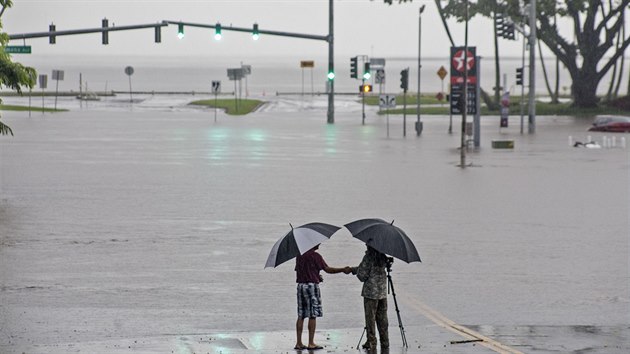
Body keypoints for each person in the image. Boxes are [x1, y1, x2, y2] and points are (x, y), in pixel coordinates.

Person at [294, 245, 351, 350]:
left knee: (301, 315)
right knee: (313, 314)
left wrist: (316, 275)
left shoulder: (299, 255)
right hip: (312, 287)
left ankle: (299, 343)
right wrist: (343, 269)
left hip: (300, 286)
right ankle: (311, 343)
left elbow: (299, 270)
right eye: (317, 242)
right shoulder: (315, 256)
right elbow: (328, 269)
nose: (319, 244)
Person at [352, 245, 389, 351]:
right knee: (383, 319)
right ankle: (385, 341)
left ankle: (371, 342)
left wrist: (354, 271)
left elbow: (362, 276)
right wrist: (355, 269)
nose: (365, 244)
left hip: (370, 293)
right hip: (382, 292)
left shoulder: (369, 256)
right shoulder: (382, 256)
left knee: (370, 319)